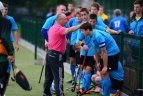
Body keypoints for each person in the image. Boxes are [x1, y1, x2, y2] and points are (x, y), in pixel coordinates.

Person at [43, 13, 83, 96]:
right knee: (59, 78)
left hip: (49, 54)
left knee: (49, 76)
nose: (66, 20)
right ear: (60, 20)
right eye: (65, 19)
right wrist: (80, 26)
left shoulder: (52, 28)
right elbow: (68, 30)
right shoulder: (59, 28)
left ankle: (46, 93)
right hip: (56, 56)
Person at [80, 22, 120, 96]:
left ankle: (108, 93)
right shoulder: (91, 36)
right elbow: (95, 48)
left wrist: (105, 66)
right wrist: (97, 62)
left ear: (88, 30)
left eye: (82, 31)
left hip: (112, 53)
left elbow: (104, 51)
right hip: (106, 53)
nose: (82, 32)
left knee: (105, 73)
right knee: (103, 74)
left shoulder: (98, 36)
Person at [0, 1, 14, 95]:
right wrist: (10, 52)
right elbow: (5, 38)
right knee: (3, 77)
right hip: (1, 56)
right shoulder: (5, 21)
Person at [66, 12, 82, 83]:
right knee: (72, 61)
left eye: (80, 16)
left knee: (79, 63)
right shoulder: (72, 20)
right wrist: (67, 38)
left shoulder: (84, 23)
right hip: (72, 44)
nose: (78, 18)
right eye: (77, 16)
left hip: (79, 45)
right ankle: (73, 77)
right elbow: (67, 28)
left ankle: (78, 78)